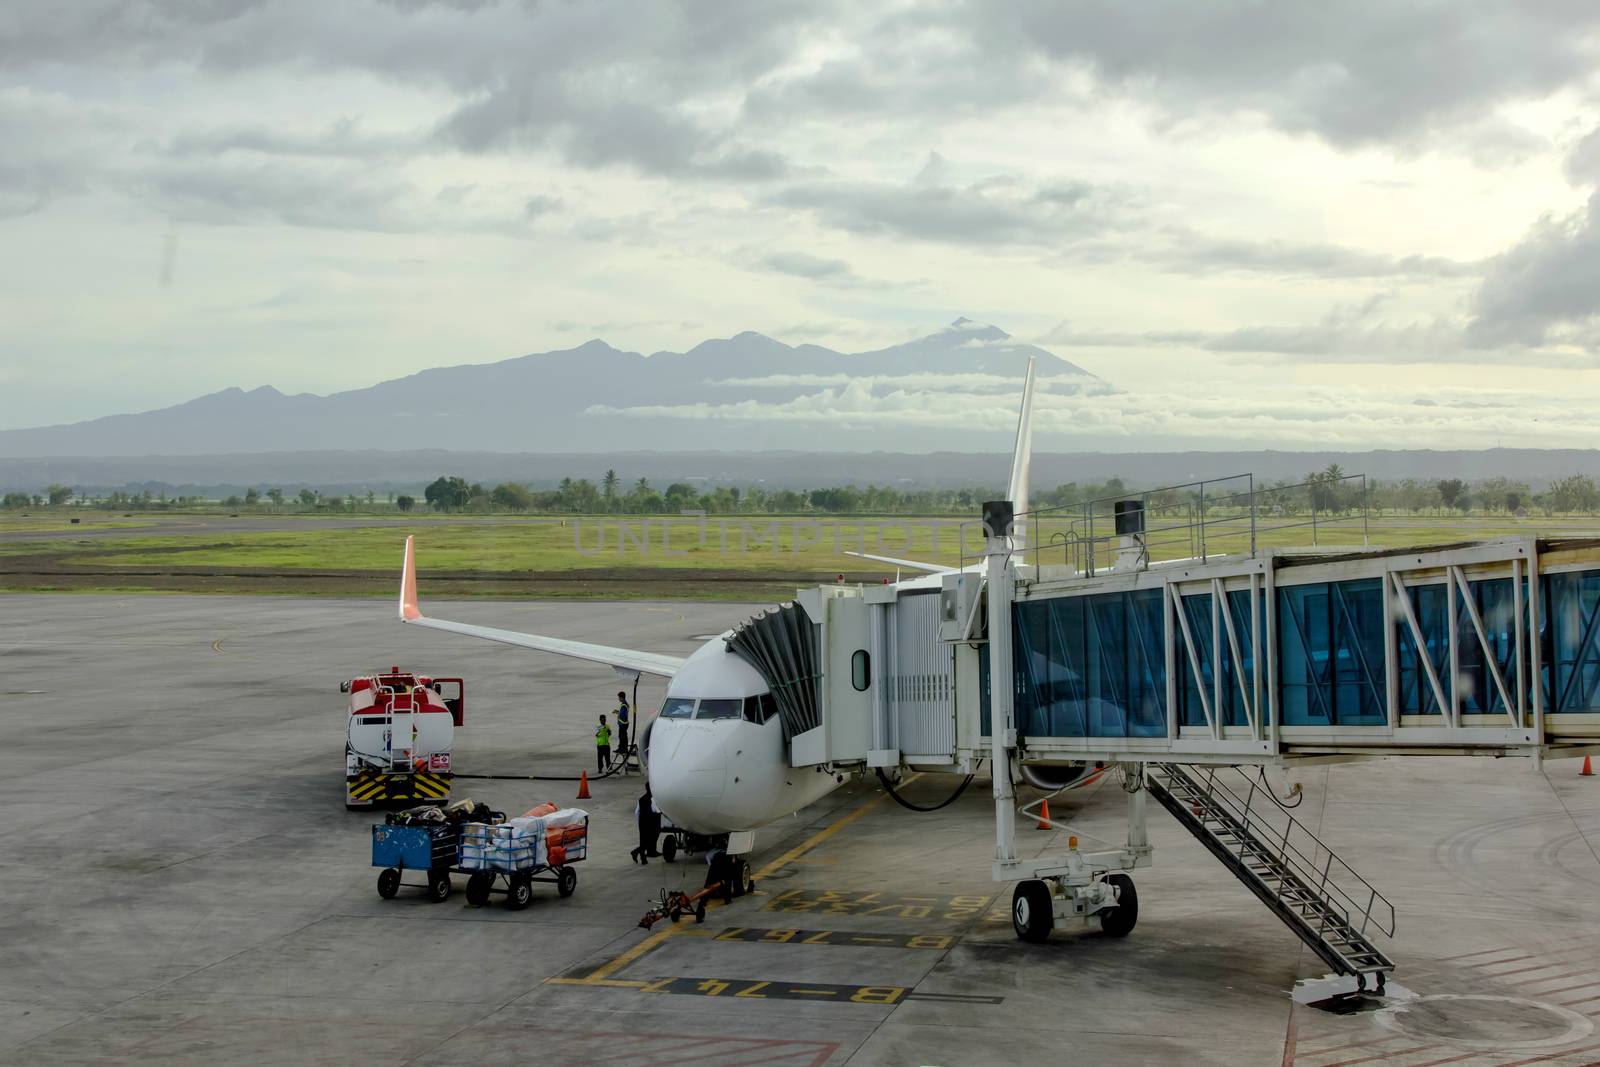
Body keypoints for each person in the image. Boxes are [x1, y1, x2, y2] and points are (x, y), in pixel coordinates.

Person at [630, 786, 661, 864]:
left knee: (643, 841)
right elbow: (656, 811)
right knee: (650, 841)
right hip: (651, 823)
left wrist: (640, 820)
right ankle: (636, 852)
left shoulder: (641, 799)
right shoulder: (653, 799)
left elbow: (637, 812)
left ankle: (643, 859)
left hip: (642, 822)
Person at [615, 690, 631, 763]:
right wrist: (618, 712)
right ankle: (621, 748)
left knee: (622, 736)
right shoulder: (624, 704)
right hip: (623, 723)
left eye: (619, 697)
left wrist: (619, 715)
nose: (618, 699)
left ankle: (623, 749)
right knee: (622, 736)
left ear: (622, 697)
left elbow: (623, 715)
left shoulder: (624, 705)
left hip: (623, 724)